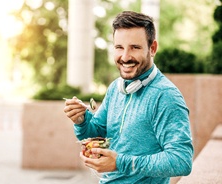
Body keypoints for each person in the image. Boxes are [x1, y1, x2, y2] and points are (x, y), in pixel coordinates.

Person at [63, 10, 193, 184]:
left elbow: (181, 161)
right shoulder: (116, 88)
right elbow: (96, 132)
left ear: (152, 48)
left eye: (135, 47)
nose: (125, 57)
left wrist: (120, 163)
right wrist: (81, 121)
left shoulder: (166, 96)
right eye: (119, 47)